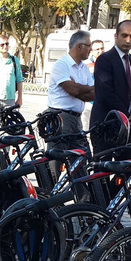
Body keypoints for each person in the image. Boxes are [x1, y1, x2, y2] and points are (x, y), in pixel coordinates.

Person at [46, 30, 95, 189]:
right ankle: (48, 198)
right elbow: (72, 90)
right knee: (55, 161)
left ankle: (83, 203)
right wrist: (84, 89)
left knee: (81, 160)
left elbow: (92, 95)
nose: (90, 50)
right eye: (89, 46)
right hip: (60, 117)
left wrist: (80, 88)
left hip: (76, 118)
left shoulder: (84, 69)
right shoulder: (62, 64)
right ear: (79, 46)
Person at [90, 20, 131, 158]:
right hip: (105, 125)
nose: (128, 40)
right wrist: (126, 115)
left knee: (129, 171)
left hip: (126, 128)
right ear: (116, 36)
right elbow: (106, 93)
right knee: (103, 174)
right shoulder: (104, 60)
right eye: (124, 35)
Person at [82, 39, 104, 130]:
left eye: (102, 48)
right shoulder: (86, 65)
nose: (100, 51)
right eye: (97, 49)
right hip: (88, 103)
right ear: (91, 51)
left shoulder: (109, 64)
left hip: (103, 102)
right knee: (85, 128)